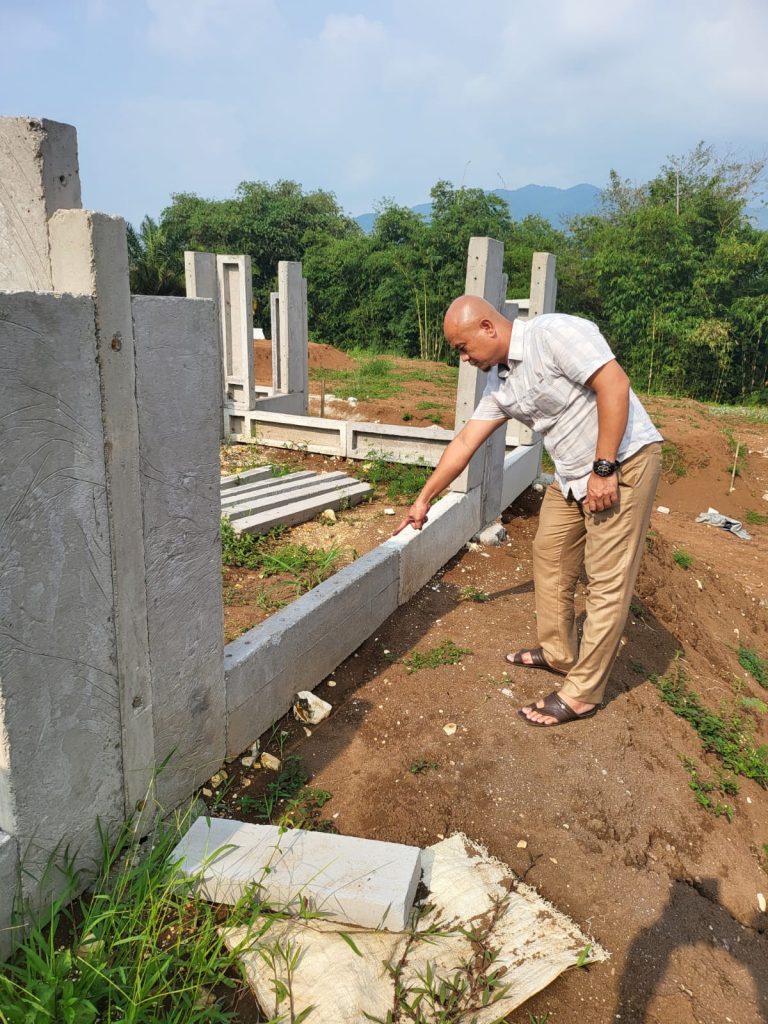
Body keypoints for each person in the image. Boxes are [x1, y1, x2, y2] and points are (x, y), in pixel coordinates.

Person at [393, 295, 662, 727]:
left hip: (621, 461)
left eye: (462, 348)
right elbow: (465, 442)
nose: (462, 358)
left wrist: (605, 467)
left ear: (487, 327)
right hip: (574, 471)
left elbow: (615, 384)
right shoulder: (499, 383)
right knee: (550, 553)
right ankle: (559, 653)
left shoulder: (553, 334)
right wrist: (423, 499)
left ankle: (583, 693)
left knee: (606, 578)